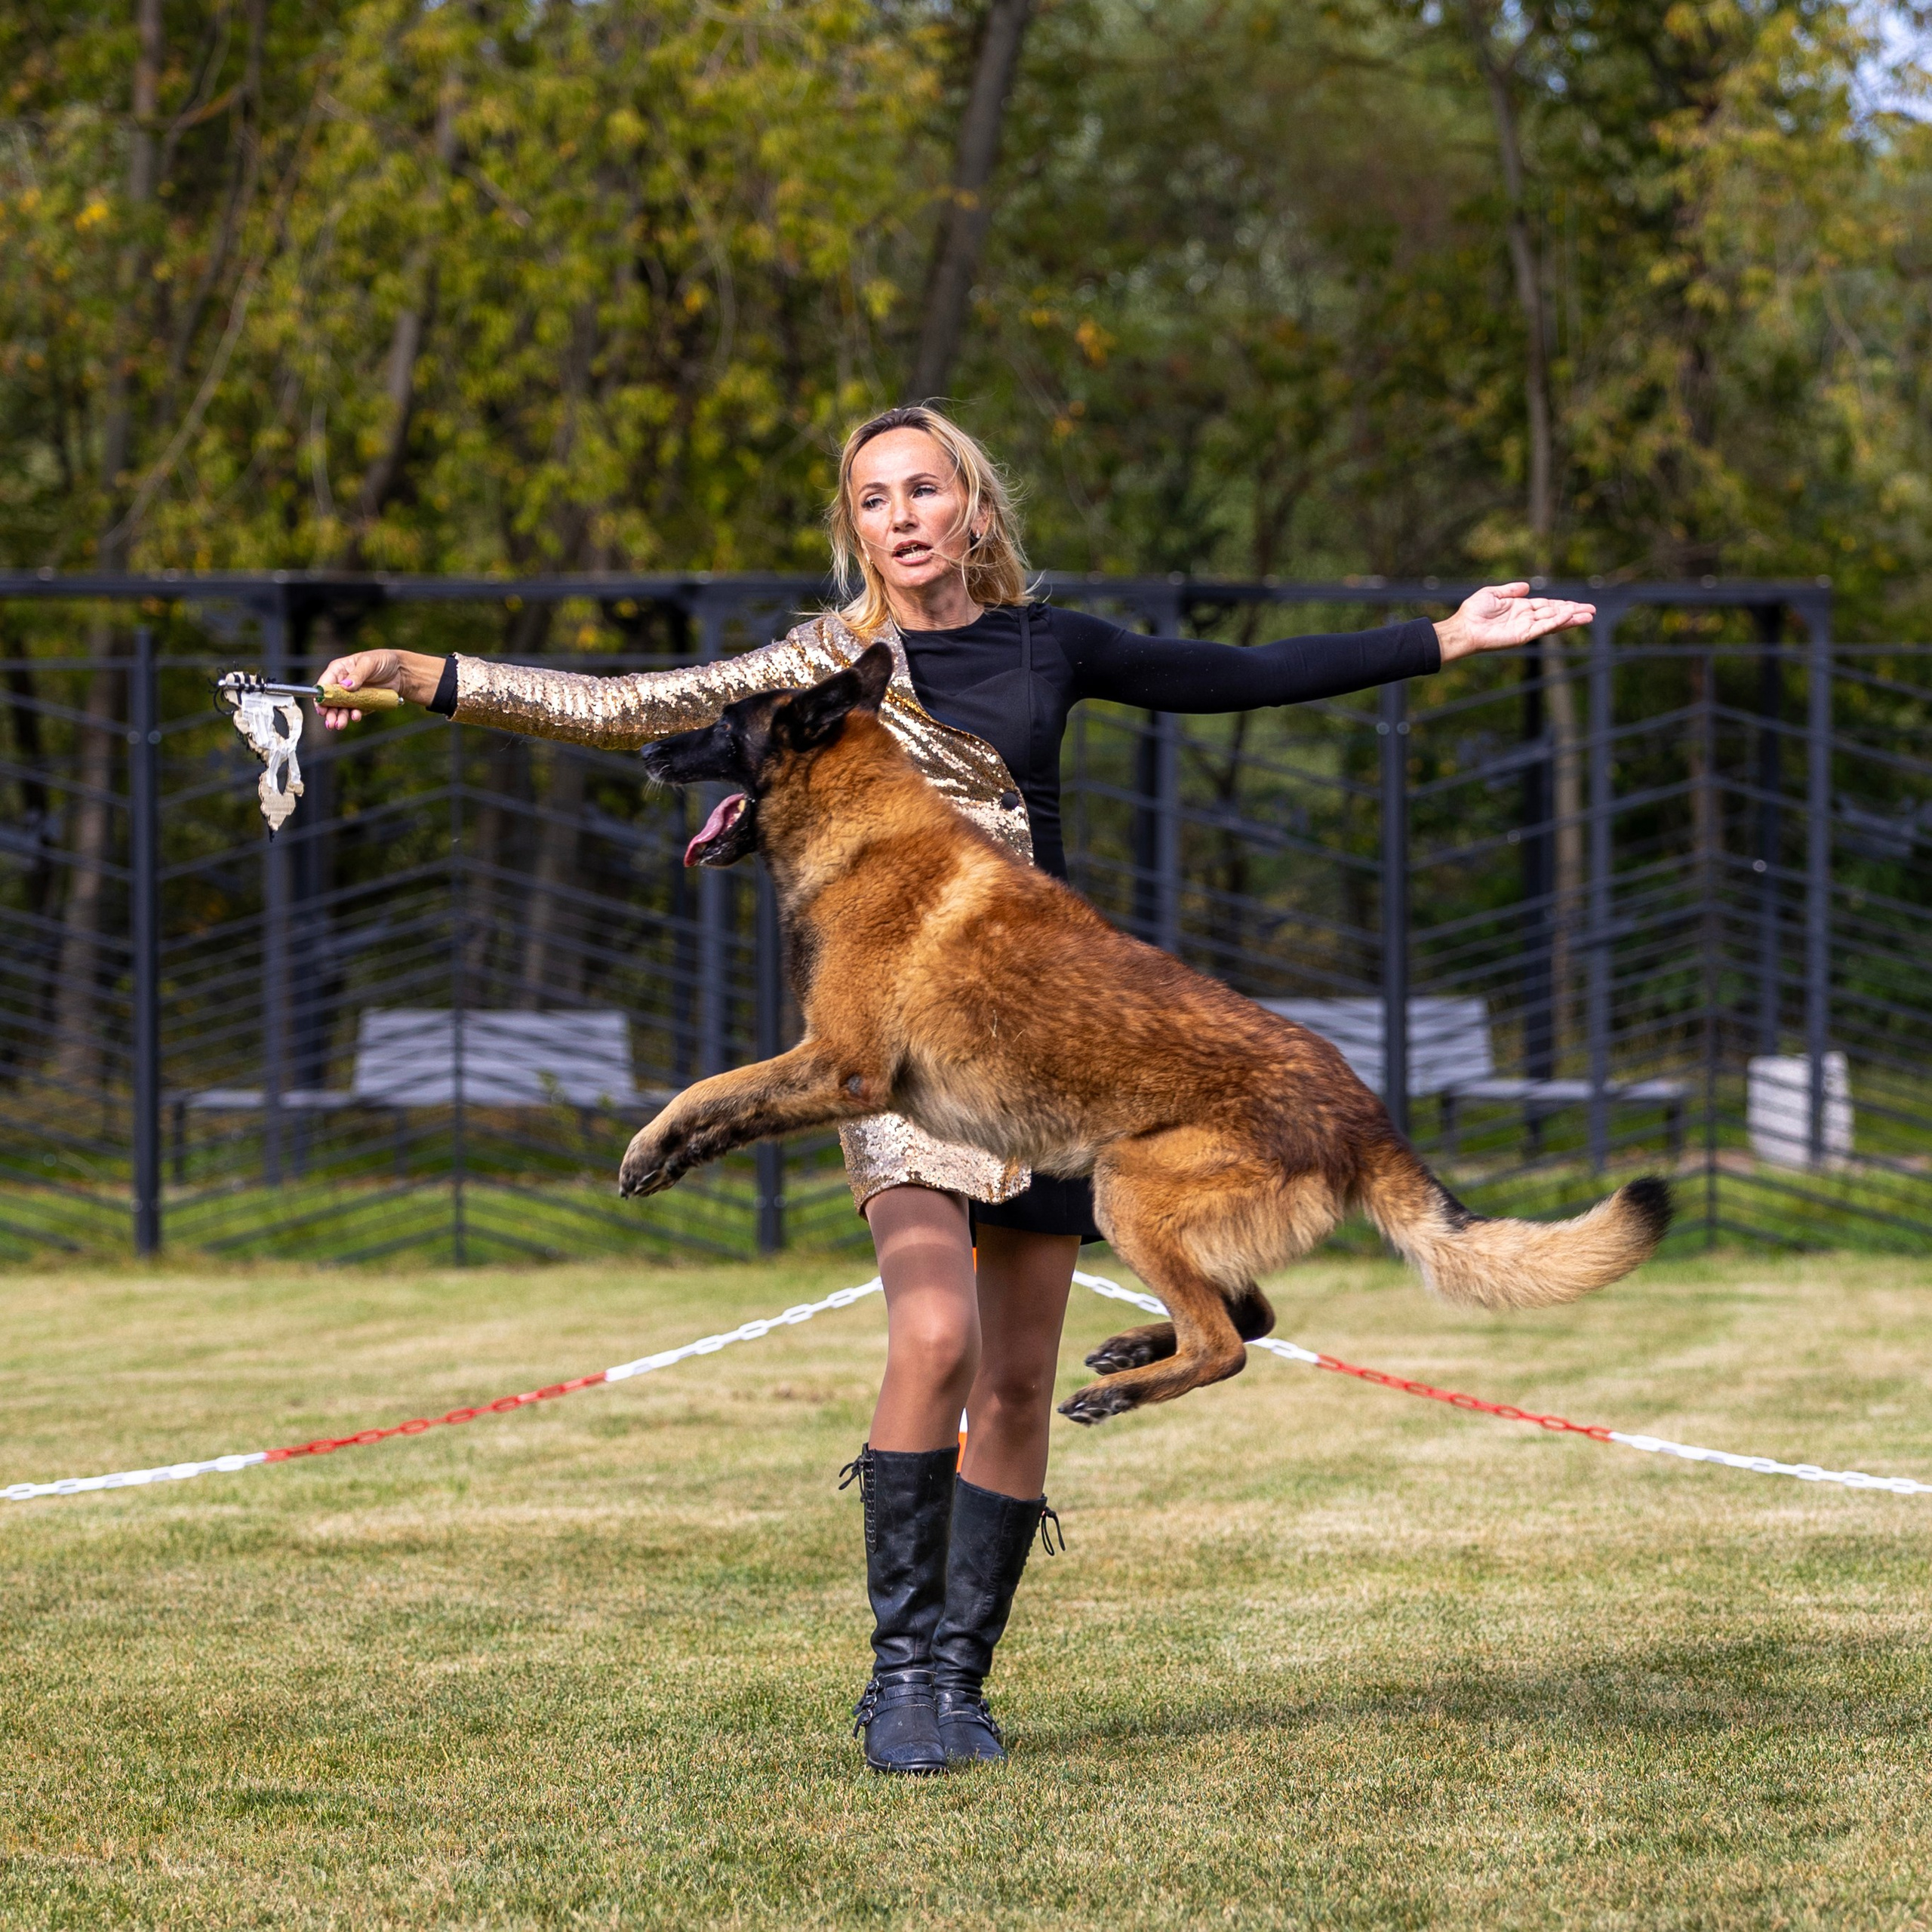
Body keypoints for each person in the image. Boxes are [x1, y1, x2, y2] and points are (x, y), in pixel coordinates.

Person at [319, 404, 1594, 1775]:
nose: (904, 517)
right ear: (855, 529)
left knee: (1021, 1381)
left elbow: (1240, 674)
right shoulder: (822, 665)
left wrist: (1445, 637)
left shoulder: (1050, 643)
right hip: (904, 1064)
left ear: (973, 509)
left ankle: (959, 1683)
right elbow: (627, 706)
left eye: (925, 490)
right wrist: (421, 672)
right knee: (935, 1338)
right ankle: (897, 1681)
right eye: (875, 500)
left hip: (1053, 1049)